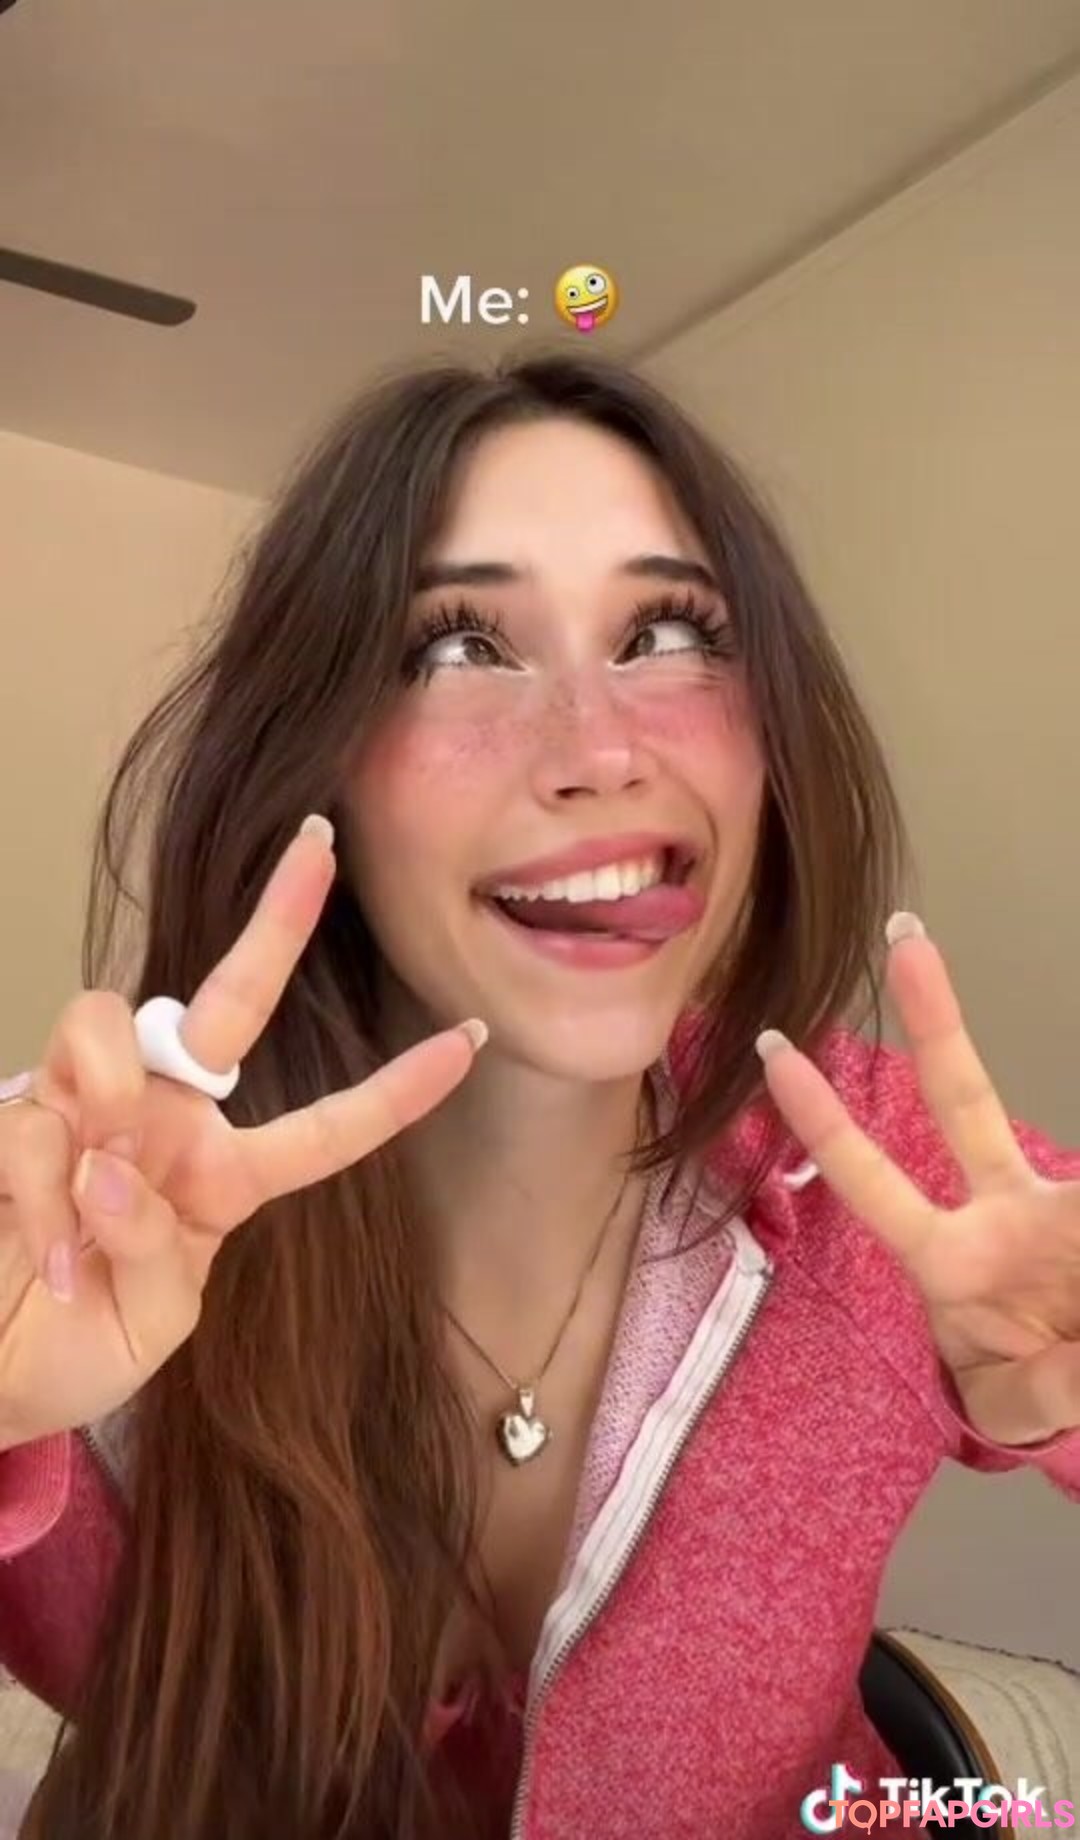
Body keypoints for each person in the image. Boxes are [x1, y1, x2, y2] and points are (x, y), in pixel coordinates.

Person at [0, 353, 1077, 1840]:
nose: (600, 752)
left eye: (669, 633)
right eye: (460, 646)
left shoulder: (884, 1169)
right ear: (315, 758)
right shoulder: (72, 1226)